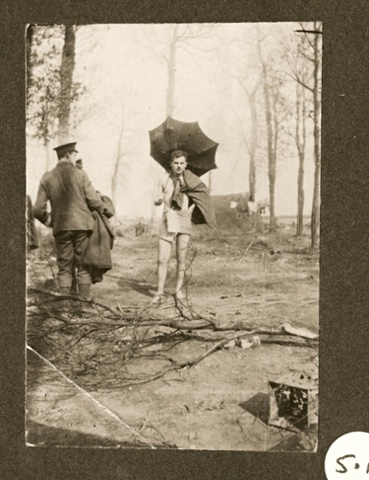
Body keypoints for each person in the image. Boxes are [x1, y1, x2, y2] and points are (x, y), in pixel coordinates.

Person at [33, 142, 106, 299]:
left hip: (61, 227)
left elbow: (37, 209)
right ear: (67, 155)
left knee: (64, 268)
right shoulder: (81, 174)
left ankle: (66, 309)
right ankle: (83, 306)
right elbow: (93, 200)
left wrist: (49, 221)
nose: (75, 158)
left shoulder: (47, 177)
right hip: (83, 227)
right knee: (83, 267)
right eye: (74, 154)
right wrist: (104, 207)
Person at [152, 150, 217, 305]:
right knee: (162, 259)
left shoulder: (191, 179)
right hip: (169, 218)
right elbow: (155, 198)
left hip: (184, 219)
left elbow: (201, 195)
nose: (179, 166)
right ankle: (159, 292)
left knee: (181, 258)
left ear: (186, 164)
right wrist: (159, 200)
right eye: (176, 163)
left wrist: (193, 207)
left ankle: (178, 291)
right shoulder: (164, 179)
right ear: (171, 164)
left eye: (182, 163)